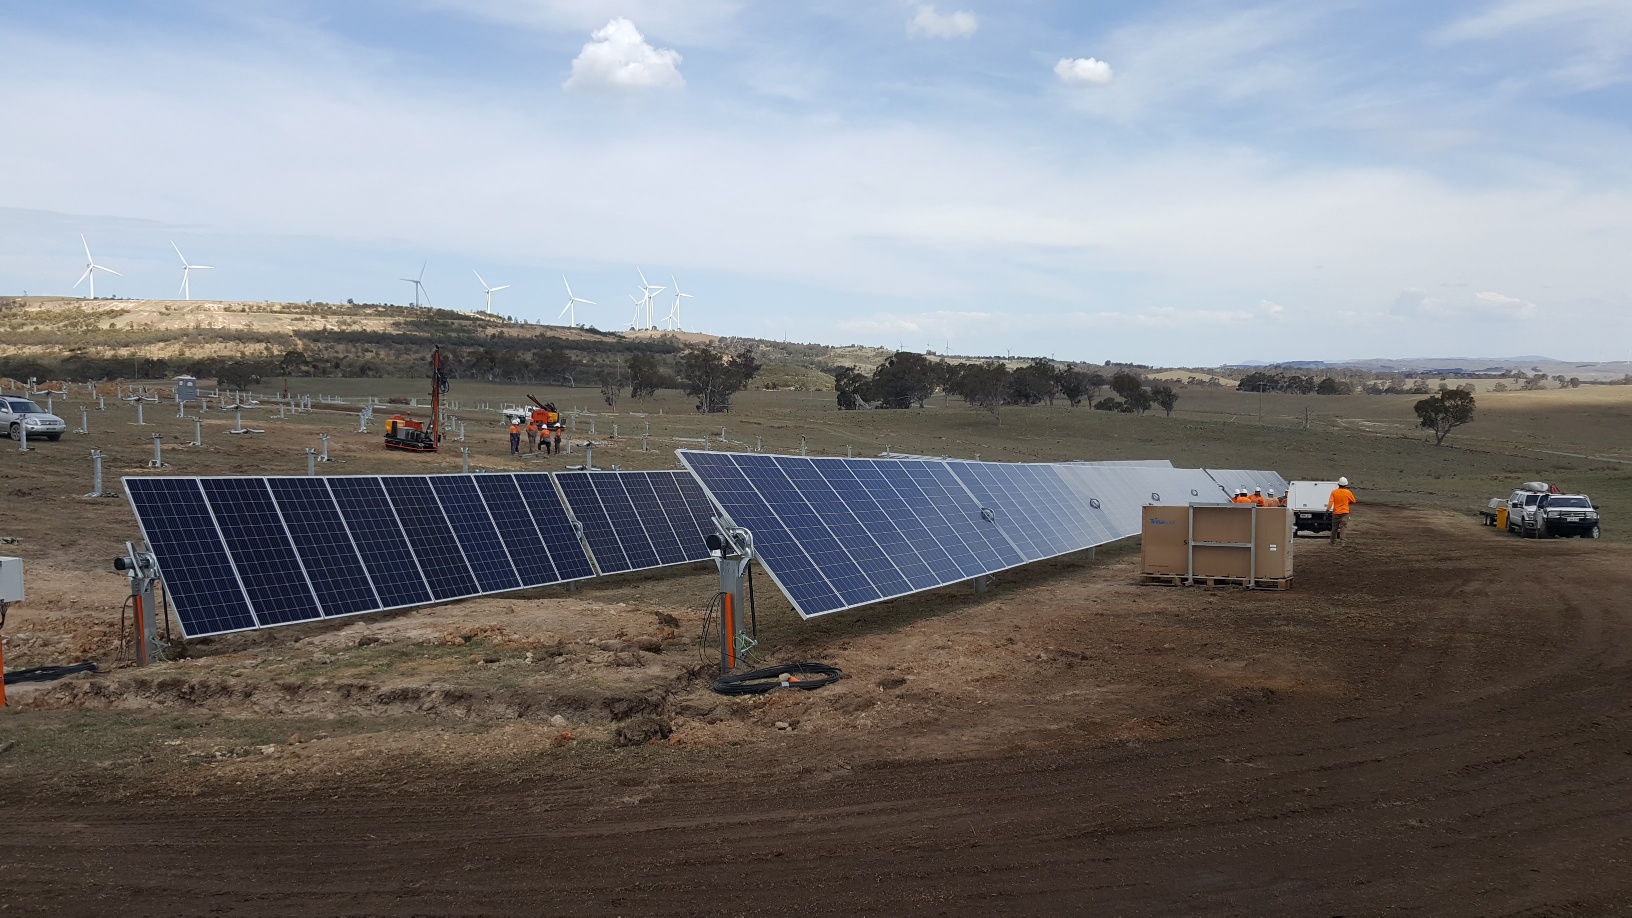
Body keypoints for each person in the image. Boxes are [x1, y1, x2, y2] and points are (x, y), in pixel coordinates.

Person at [1327, 476, 1357, 544]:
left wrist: (1328, 509)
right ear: (1346, 484)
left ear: (1339, 484)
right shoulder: (1348, 492)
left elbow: (1331, 502)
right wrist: (1347, 502)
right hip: (1345, 512)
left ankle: (1332, 541)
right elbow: (1353, 501)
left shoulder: (1334, 492)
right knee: (1343, 527)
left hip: (1336, 512)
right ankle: (1343, 541)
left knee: (1334, 527)